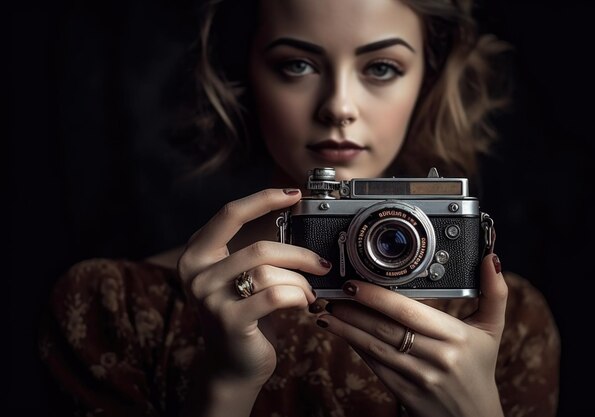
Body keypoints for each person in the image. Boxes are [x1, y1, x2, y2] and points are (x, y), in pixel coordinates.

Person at [38, 0, 561, 416]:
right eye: (297, 64)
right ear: (243, 75)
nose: (339, 106)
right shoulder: (113, 308)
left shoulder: (506, 327)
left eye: (381, 67)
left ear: (426, 79)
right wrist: (224, 386)